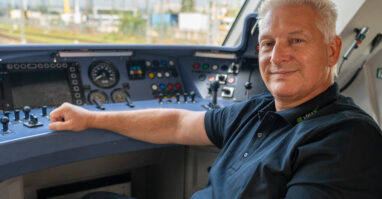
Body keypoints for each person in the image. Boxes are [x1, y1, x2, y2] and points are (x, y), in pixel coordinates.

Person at [49, 0, 382, 198]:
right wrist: (92, 117)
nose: (277, 56)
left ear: (332, 50)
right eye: (267, 43)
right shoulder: (258, 110)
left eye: (295, 40)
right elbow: (179, 123)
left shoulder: (347, 139)